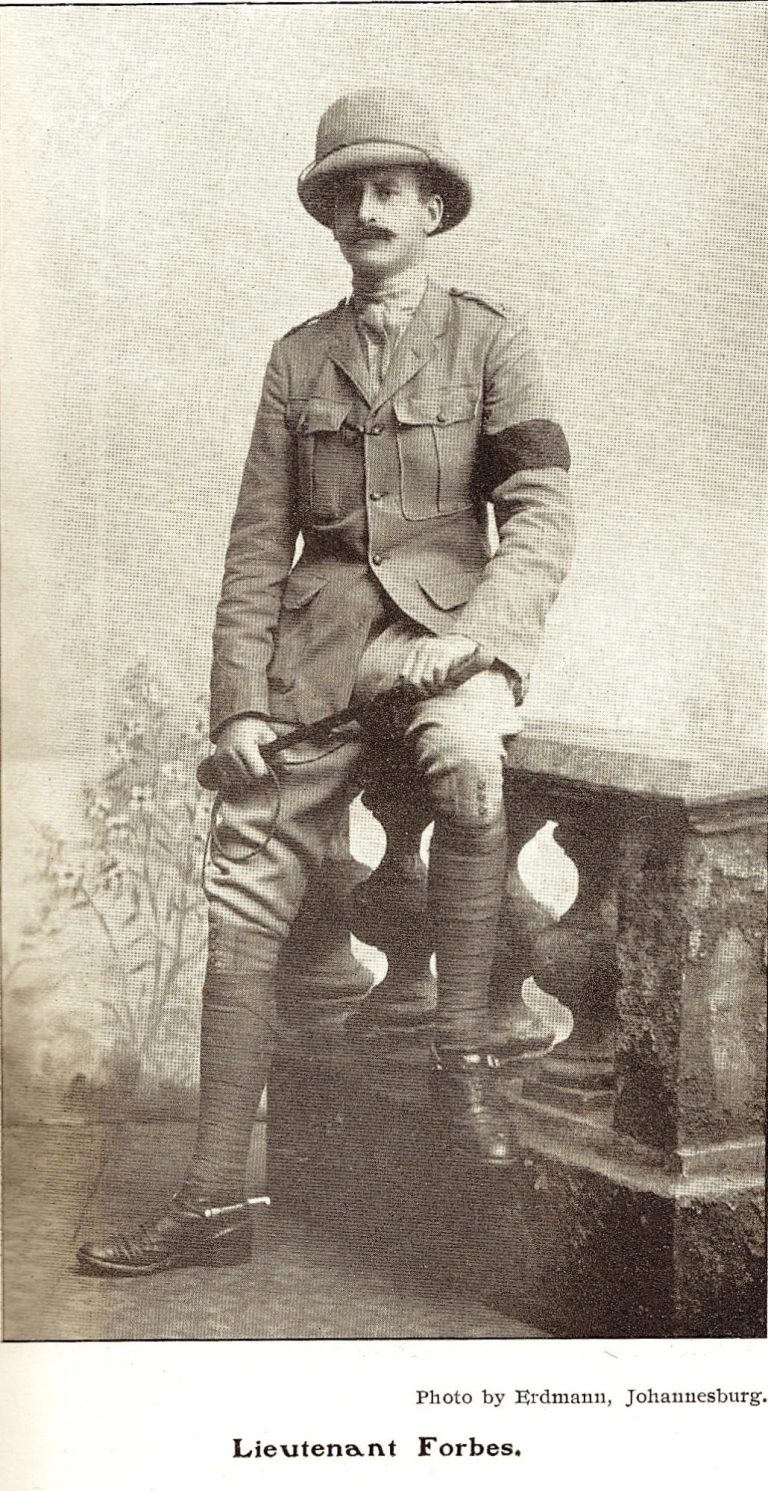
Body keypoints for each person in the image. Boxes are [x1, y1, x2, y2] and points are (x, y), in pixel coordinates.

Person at [78, 88, 573, 1276]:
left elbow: (541, 510)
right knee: (244, 895)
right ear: (329, 216)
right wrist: (239, 700)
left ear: (434, 208)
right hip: (316, 658)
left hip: (451, 646)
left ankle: (462, 1063)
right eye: (348, 190)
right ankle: (208, 1203)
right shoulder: (298, 360)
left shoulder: (492, 340)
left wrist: (488, 645)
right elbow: (259, 546)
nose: (369, 206)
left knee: (466, 763)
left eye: (393, 186)